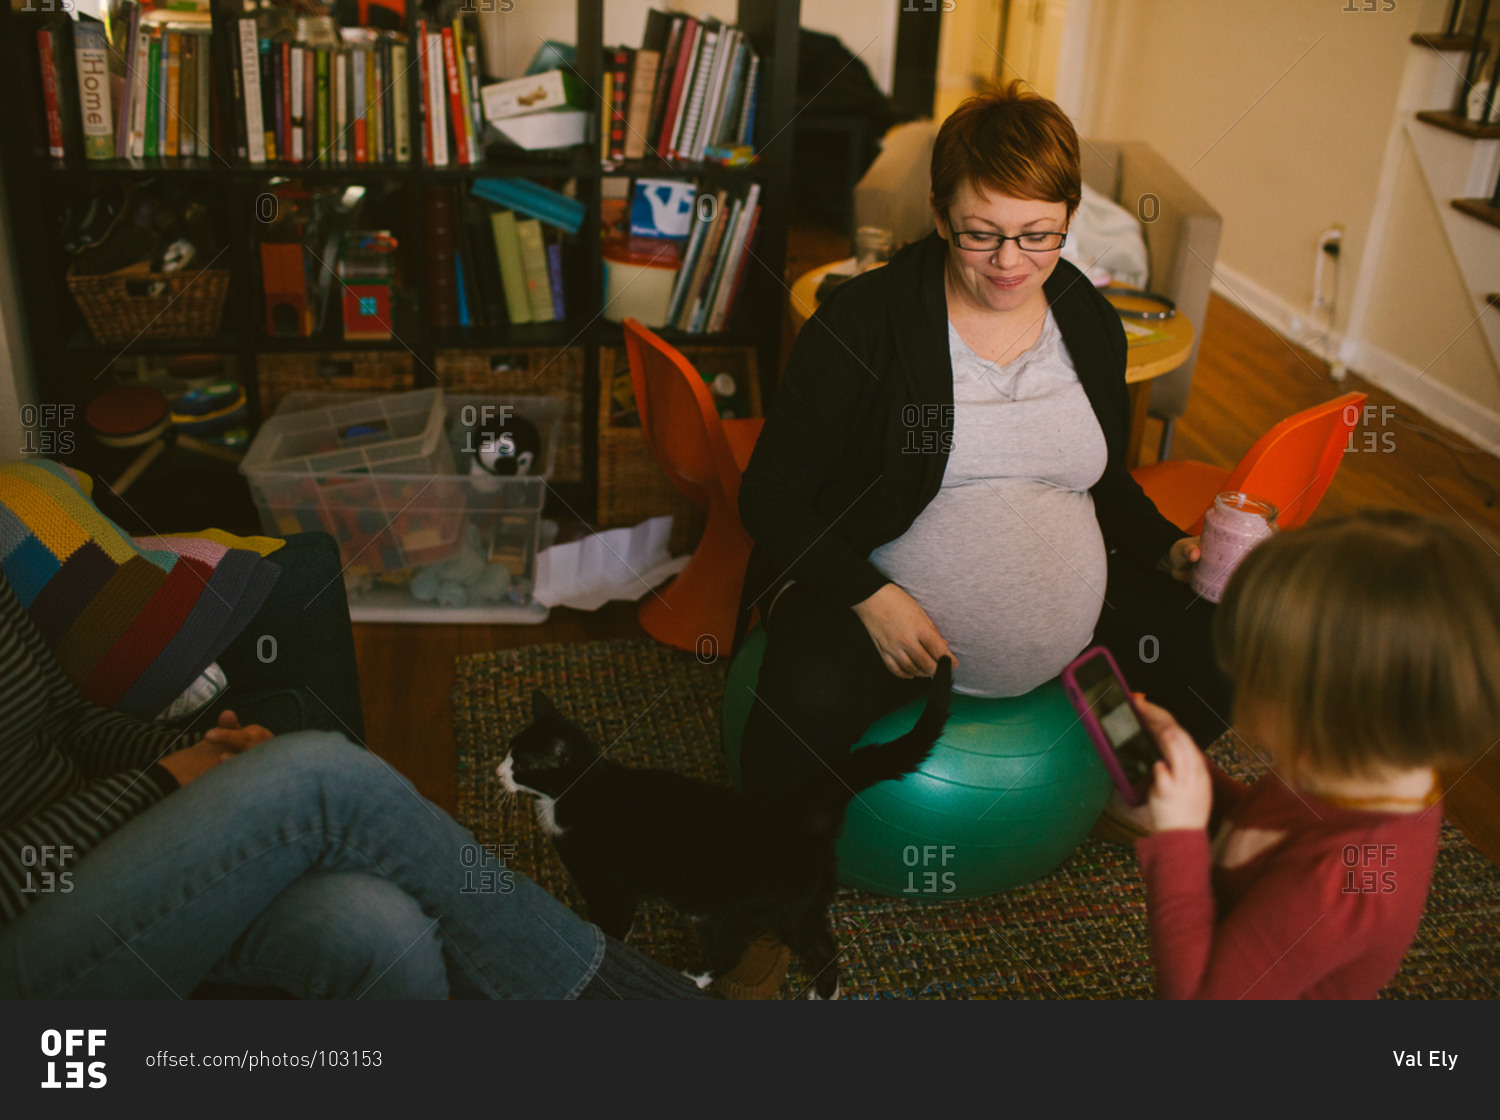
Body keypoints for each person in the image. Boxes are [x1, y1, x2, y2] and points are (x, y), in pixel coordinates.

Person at [725, 83, 1223, 996]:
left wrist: (1166, 550)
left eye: (1038, 233)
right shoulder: (865, 323)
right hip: (880, 602)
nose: (1009, 261)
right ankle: (762, 902)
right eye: (980, 231)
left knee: (1219, 645)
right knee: (792, 718)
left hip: (1072, 612)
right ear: (938, 214)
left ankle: (1114, 788)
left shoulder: (1084, 316)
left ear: (1070, 218)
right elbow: (772, 497)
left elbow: (1105, 480)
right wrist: (869, 597)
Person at [0, 573, 706, 1000]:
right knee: (321, 778)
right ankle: (632, 1004)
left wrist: (207, 752)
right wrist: (161, 781)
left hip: (106, 858)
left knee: (375, 926)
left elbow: (65, 723)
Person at [1133, 510, 1500, 999]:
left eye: (1252, 675)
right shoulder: (1353, 771)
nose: (1235, 684)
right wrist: (1192, 776)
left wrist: (1178, 839)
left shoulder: (1346, 886)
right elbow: (1272, 833)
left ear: (1328, 714)